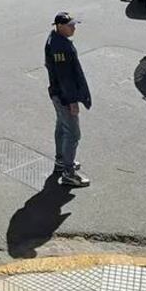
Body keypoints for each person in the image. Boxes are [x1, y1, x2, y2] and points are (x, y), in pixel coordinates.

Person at [45, 12, 92, 187]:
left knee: (61, 127)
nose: (74, 28)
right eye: (70, 25)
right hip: (64, 96)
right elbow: (65, 78)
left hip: (57, 94)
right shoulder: (60, 47)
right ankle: (68, 173)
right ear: (59, 26)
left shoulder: (56, 40)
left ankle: (61, 160)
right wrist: (72, 101)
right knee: (73, 133)